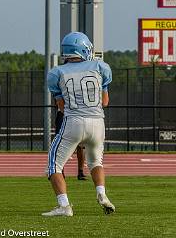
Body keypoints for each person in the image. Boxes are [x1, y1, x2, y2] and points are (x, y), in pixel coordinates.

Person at [42, 32, 115, 216]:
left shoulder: (57, 72)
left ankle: (64, 206)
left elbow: (61, 107)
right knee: (95, 162)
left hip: (74, 121)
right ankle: (101, 193)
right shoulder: (100, 66)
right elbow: (105, 102)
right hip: (98, 123)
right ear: (84, 48)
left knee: (54, 166)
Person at [55, 109, 87, 180]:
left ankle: (80, 172)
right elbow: (58, 101)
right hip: (64, 114)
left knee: (81, 144)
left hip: (78, 115)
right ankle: (60, 171)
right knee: (61, 144)